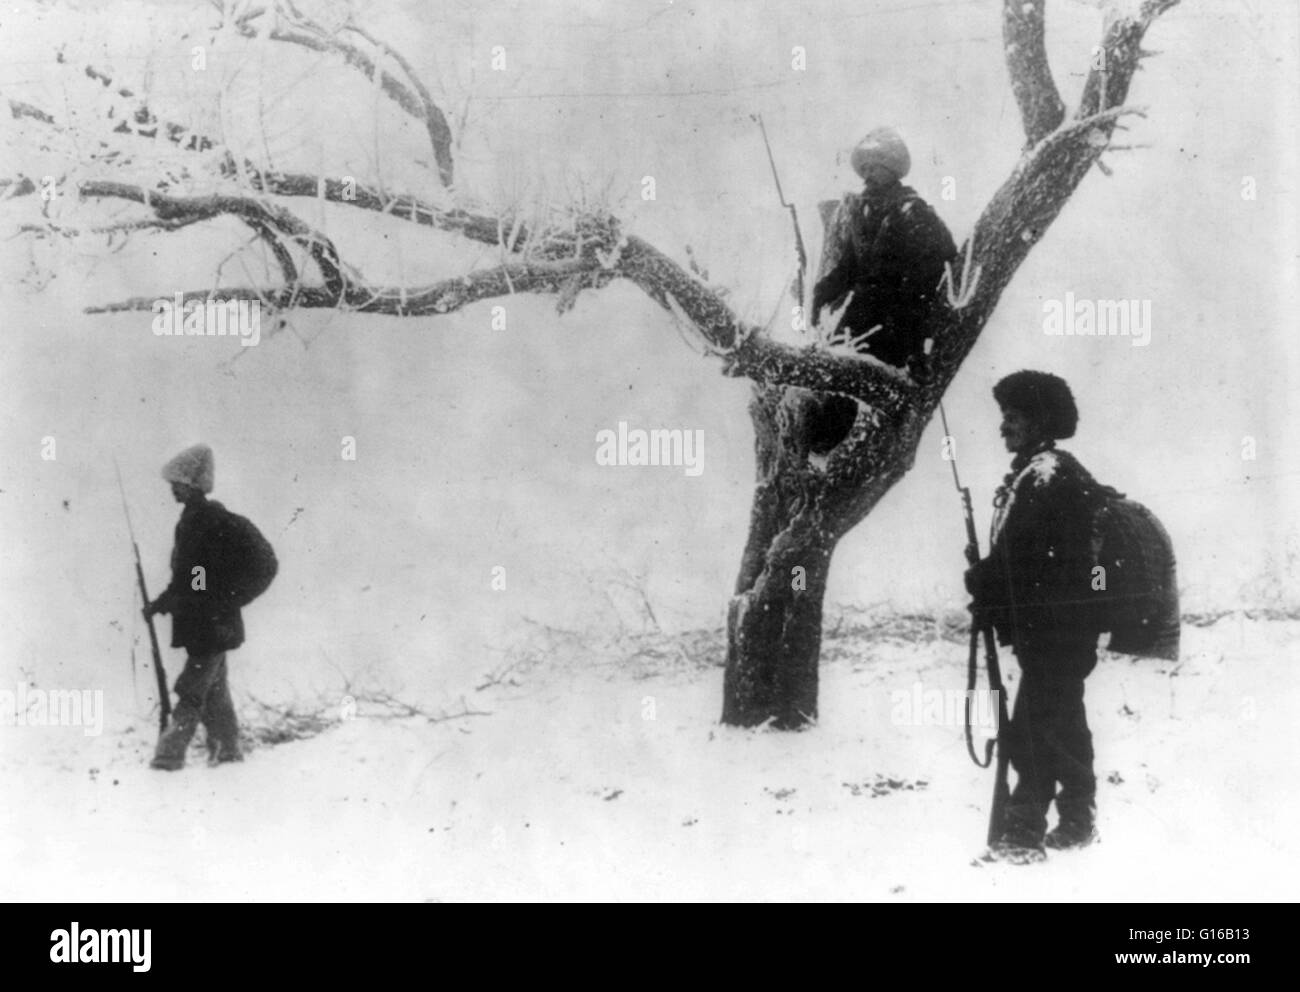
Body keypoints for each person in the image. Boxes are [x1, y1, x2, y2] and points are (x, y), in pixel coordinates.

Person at [964, 372, 1105, 861]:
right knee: (1062, 724)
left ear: (1040, 421)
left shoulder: (1047, 476)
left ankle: (1022, 834)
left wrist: (987, 580)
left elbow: (1029, 560)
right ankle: (1077, 821)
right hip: (1055, 631)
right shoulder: (1040, 473)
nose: (1004, 426)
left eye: (1014, 416)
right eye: (1004, 416)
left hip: (1056, 631)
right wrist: (991, 583)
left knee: (1034, 728)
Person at [144, 444, 259, 770]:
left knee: (191, 691)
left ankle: (168, 756)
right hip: (207, 625)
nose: (172, 489)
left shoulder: (207, 521)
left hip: (210, 627)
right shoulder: (192, 521)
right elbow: (191, 579)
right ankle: (228, 750)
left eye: (177, 483)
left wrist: (224, 599)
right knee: (215, 692)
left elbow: (199, 580)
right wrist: (160, 605)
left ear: (191, 484)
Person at [812, 126, 957, 375]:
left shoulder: (913, 211)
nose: (867, 175)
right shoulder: (863, 214)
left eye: (874, 167)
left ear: (892, 171)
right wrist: (822, 292)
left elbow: (940, 261)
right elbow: (850, 265)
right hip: (863, 313)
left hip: (898, 319)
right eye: (864, 168)